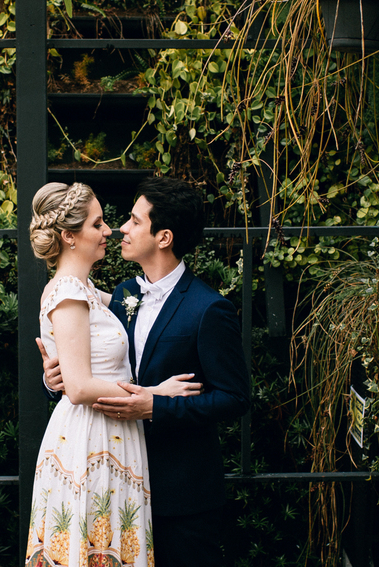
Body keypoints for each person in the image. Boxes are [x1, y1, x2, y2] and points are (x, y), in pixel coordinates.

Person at [39, 176, 250, 567]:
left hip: (179, 494)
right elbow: (90, 365)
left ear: (164, 237)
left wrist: (157, 405)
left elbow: (235, 398)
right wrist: (56, 380)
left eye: (135, 221)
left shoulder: (209, 309)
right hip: (113, 482)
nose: (122, 227)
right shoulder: (122, 296)